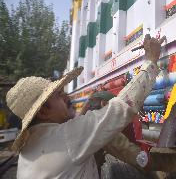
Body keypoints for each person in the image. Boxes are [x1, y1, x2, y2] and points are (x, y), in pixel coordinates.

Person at [6, 35, 166, 179]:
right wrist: (151, 60)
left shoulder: (29, 150)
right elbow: (121, 108)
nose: (66, 97)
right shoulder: (67, 137)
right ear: (43, 111)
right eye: (59, 95)